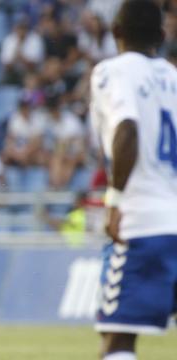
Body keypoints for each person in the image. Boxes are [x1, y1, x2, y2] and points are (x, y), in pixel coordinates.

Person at [89, 1, 177, 359]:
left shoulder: (112, 72)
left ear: (115, 33)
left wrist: (115, 202)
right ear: (161, 35)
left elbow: (127, 129)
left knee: (118, 340)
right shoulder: (173, 77)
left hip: (142, 224)